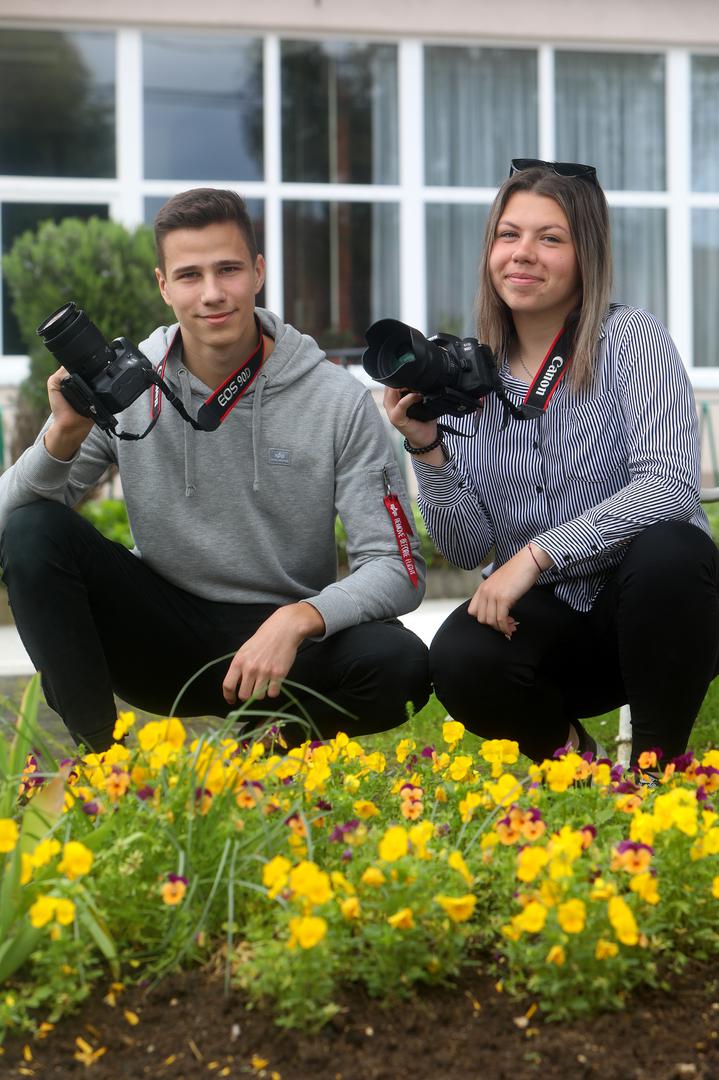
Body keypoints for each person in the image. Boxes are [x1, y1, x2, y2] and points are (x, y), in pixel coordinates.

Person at [0, 188, 430, 752]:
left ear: (257, 272)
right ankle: (101, 764)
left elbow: (398, 567)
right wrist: (62, 436)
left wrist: (300, 618)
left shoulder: (335, 399)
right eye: (189, 275)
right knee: (34, 530)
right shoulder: (129, 385)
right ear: (163, 285)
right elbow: (14, 529)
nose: (211, 294)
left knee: (401, 662)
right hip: (161, 638)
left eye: (227, 269)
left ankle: (270, 749)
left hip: (283, 651)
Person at [385, 158, 719, 769]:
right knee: (459, 655)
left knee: (673, 549)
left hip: (654, 614)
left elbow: (669, 489)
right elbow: (466, 547)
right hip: (549, 627)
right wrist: (426, 445)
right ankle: (571, 765)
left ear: (586, 253)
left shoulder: (631, 339)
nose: (523, 253)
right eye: (508, 235)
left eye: (551, 238)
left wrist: (533, 557)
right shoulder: (470, 379)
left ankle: (655, 771)